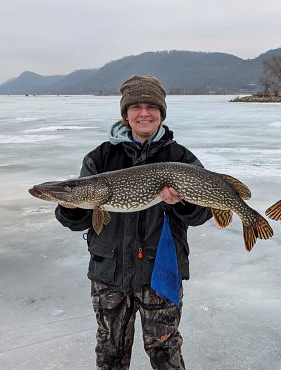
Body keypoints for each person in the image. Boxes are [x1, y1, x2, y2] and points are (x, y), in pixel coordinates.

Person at [55, 75, 212, 369]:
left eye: (151, 106)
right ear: (125, 114)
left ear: (161, 113)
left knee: (166, 354)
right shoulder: (100, 157)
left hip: (160, 272)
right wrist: (69, 207)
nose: (144, 113)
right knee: (110, 354)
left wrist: (182, 202)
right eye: (136, 106)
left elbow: (203, 213)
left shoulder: (180, 158)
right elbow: (80, 219)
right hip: (108, 273)